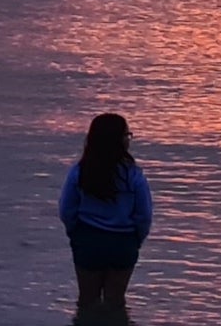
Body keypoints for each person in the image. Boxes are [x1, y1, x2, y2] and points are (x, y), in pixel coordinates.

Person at [58, 112, 152, 307]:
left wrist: (75, 233)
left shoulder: (80, 172)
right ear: (119, 141)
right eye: (127, 135)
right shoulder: (133, 176)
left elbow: (67, 209)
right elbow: (143, 216)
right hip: (122, 242)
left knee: (87, 299)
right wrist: (136, 240)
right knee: (116, 300)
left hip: (88, 239)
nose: (129, 139)